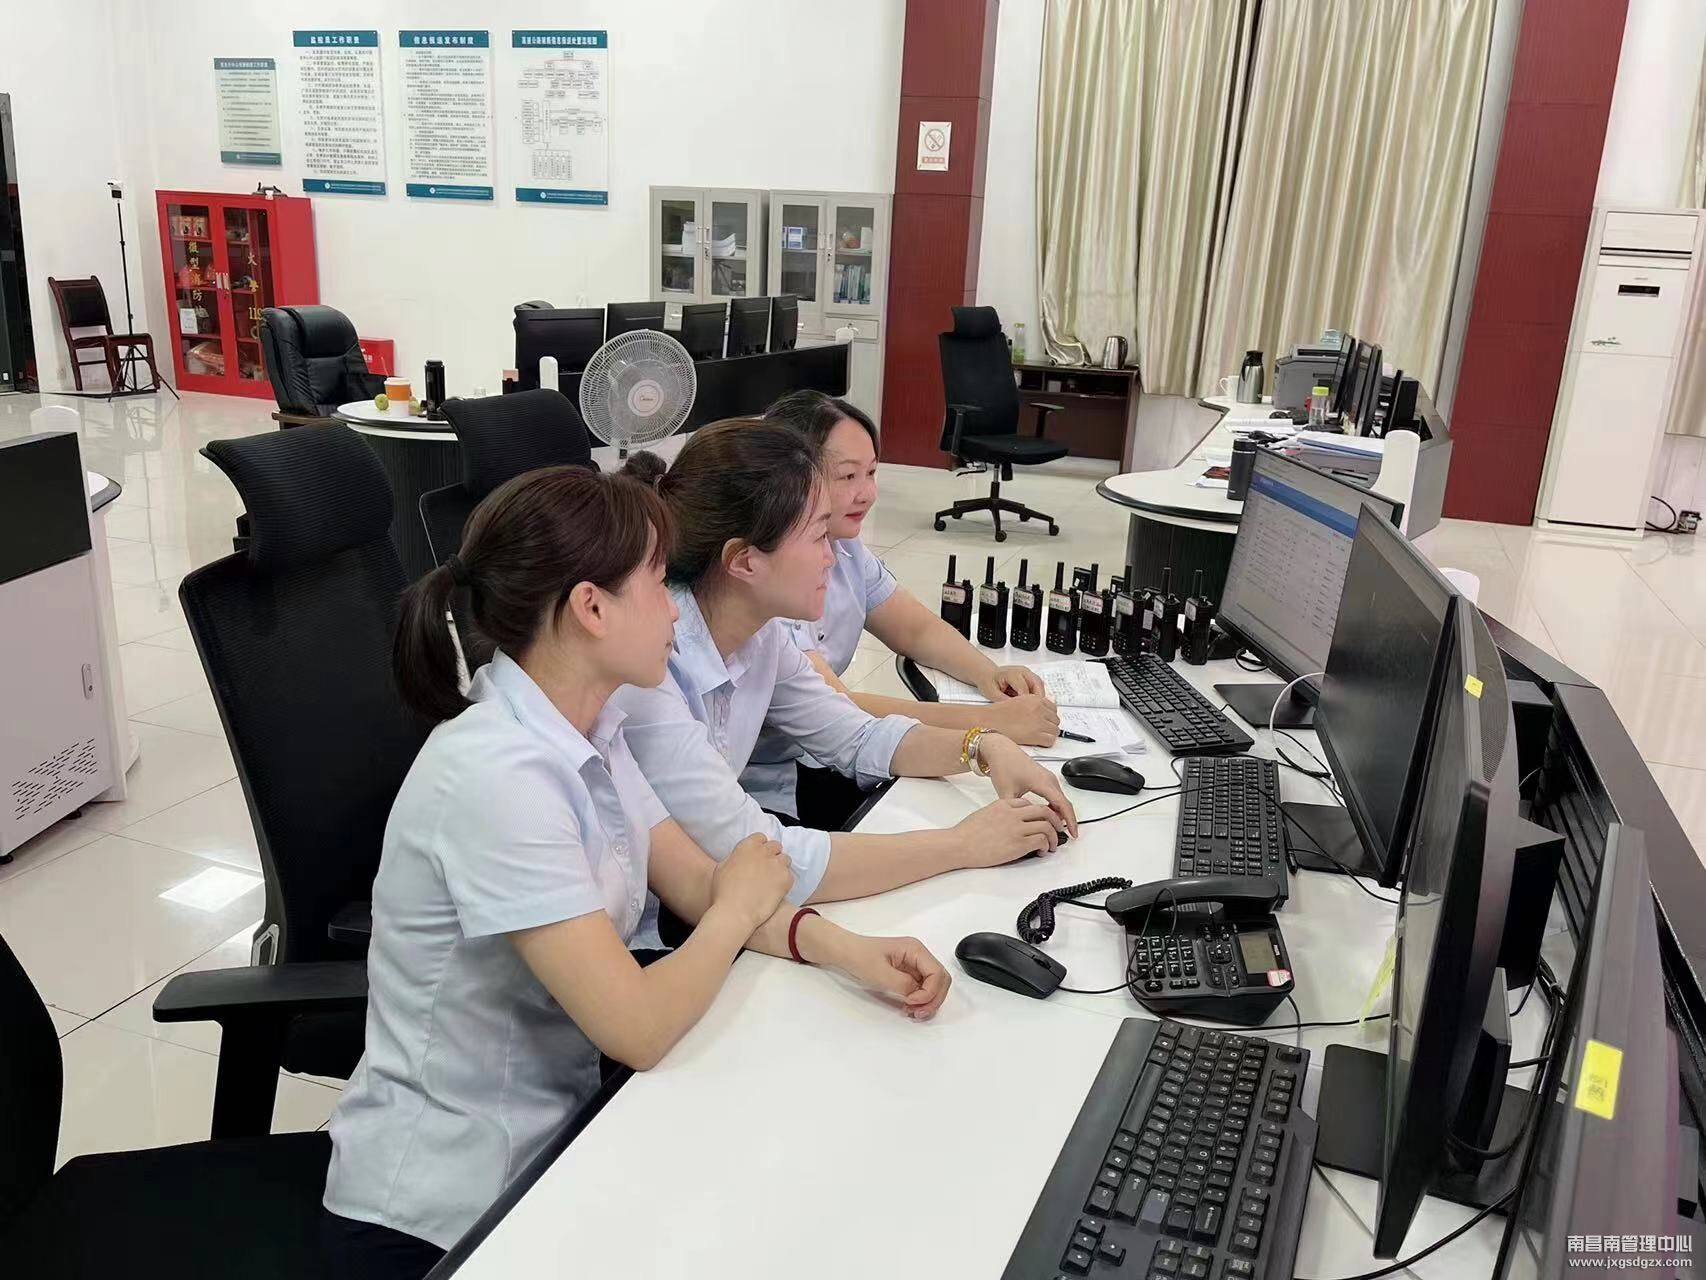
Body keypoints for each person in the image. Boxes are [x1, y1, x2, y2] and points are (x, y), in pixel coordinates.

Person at [321, 466, 951, 1279]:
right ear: (591, 608)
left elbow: (697, 881)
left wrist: (846, 951)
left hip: (563, 1131)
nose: (674, 609)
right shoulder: (497, 777)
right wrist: (736, 911)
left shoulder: (590, 724)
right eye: (657, 583)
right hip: (450, 1210)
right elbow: (638, 1026)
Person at [613, 419, 1079, 916]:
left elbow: (855, 735)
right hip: (654, 927)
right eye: (818, 536)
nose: (831, 560)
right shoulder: (651, 672)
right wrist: (962, 844)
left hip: (713, 901)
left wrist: (983, 745)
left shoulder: (760, 634)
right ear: (744, 561)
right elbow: (761, 854)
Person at [749, 390, 1058, 823]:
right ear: (788, 478)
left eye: (872, 472)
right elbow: (836, 711)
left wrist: (988, 675)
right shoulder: (771, 585)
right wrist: (991, 725)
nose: (867, 493)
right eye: (847, 476)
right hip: (771, 782)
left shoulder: (845, 548)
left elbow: (915, 629)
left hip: (821, 754)